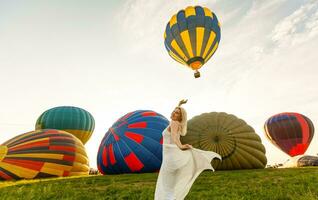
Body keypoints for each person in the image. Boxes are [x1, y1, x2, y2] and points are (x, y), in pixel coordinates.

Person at [154, 99, 221, 200]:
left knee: (167, 186)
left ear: (180, 117)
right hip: (172, 156)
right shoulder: (177, 123)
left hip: (170, 157)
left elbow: (174, 137)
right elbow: (176, 134)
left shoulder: (174, 122)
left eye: (177, 113)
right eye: (174, 110)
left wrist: (180, 146)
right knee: (170, 185)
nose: (173, 112)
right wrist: (179, 105)